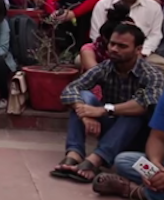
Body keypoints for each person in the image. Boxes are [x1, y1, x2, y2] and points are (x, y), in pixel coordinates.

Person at [51, 23, 164, 183]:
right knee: (83, 96)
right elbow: (71, 89)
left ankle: (96, 160)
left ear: (138, 50)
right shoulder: (106, 67)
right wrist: (84, 114)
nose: (114, 49)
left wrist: (104, 110)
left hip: (138, 137)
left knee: (133, 115)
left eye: (122, 46)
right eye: (112, 44)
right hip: (112, 129)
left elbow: (145, 104)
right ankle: (74, 155)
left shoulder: (153, 74)